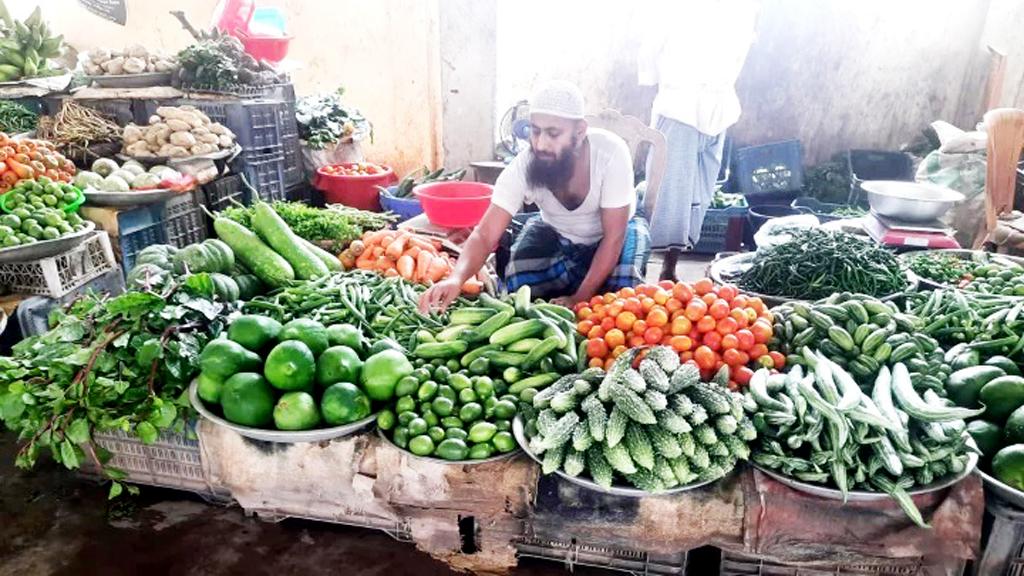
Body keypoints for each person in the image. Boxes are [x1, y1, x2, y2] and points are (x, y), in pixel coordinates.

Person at [419, 80, 649, 312]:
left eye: (553, 133)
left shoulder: (610, 153)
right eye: (535, 131)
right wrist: (456, 278)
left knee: (624, 303)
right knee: (519, 280)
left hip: (616, 234)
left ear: (579, 132)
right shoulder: (524, 165)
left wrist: (580, 297)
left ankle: (588, 291)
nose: (541, 144)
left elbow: (614, 237)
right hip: (558, 232)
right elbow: (485, 234)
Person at [638, 0, 758, 281]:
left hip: (720, 108)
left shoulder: (745, 8)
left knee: (699, 194)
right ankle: (647, 267)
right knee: (668, 193)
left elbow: (739, 52)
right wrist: (657, 83)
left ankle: (670, 267)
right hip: (680, 106)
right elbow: (651, 48)